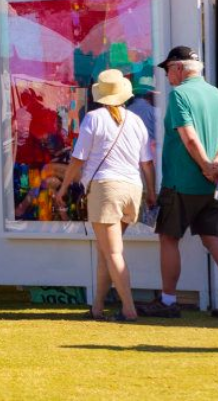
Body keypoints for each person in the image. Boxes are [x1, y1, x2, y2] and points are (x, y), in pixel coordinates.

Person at [141, 47, 218, 318]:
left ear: (179, 68)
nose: (167, 76)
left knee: (168, 238)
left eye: (168, 69)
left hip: (181, 182)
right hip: (213, 185)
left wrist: (206, 166)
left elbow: (189, 138)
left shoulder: (180, 94)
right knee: (214, 238)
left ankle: (168, 302)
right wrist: (216, 165)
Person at [56, 70, 155, 321]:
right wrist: (152, 193)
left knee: (112, 252)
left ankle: (129, 310)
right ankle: (97, 308)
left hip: (106, 188)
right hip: (132, 188)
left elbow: (78, 159)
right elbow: (147, 164)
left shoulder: (93, 118)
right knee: (106, 251)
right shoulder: (136, 121)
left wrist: (63, 188)